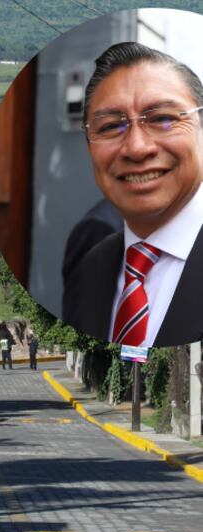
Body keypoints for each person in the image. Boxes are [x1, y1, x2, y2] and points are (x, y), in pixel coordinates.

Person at [62, 42, 203, 346]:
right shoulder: (89, 272)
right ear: (89, 148)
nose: (137, 148)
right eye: (111, 126)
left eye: (163, 119)